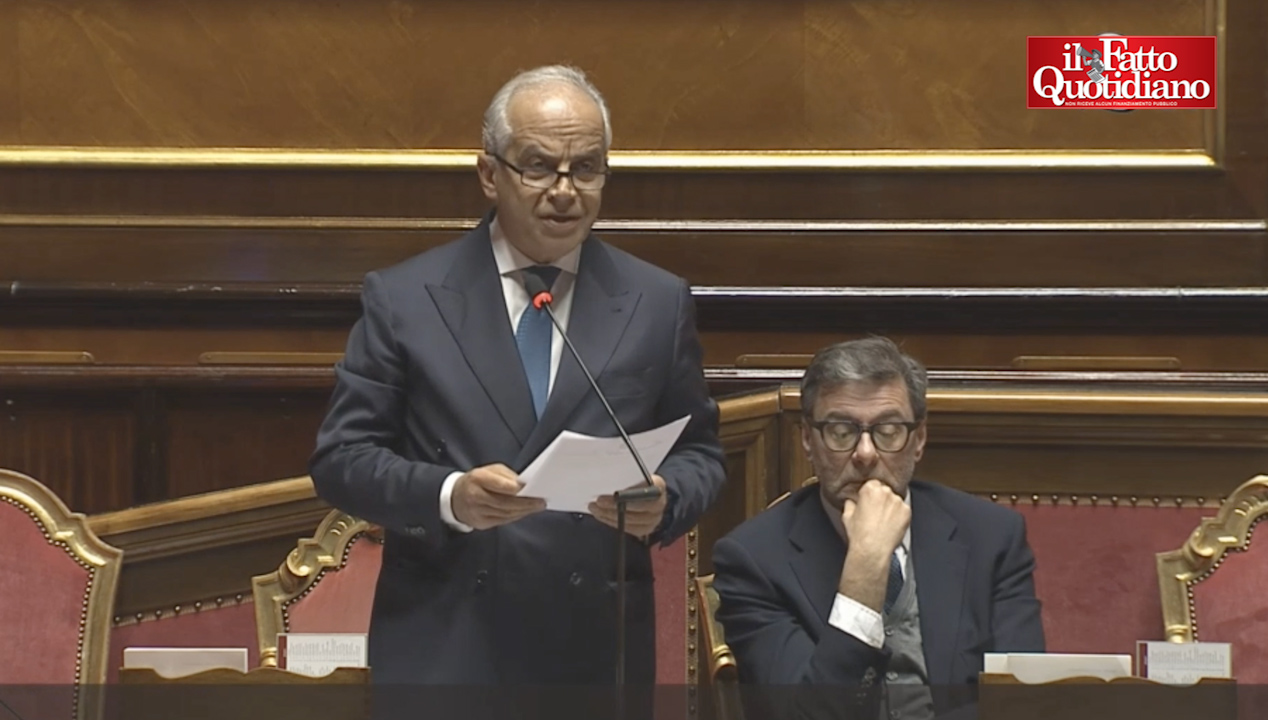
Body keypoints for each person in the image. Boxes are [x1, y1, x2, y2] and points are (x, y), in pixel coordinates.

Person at [309, 65, 726, 687]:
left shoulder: (655, 301)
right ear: (489, 174)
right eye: (538, 167)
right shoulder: (406, 298)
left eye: (586, 168)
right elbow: (341, 460)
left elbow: (702, 455)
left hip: (594, 649)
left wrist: (665, 500)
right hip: (448, 640)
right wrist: (451, 495)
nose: (565, 191)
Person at [712, 337, 1043, 719]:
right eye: (841, 431)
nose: (865, 453)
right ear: (808, 440)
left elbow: (1024, 703)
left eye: (888, 430)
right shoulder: (753, 560)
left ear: (918, 439)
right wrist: (865, 567)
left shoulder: (991, 537)